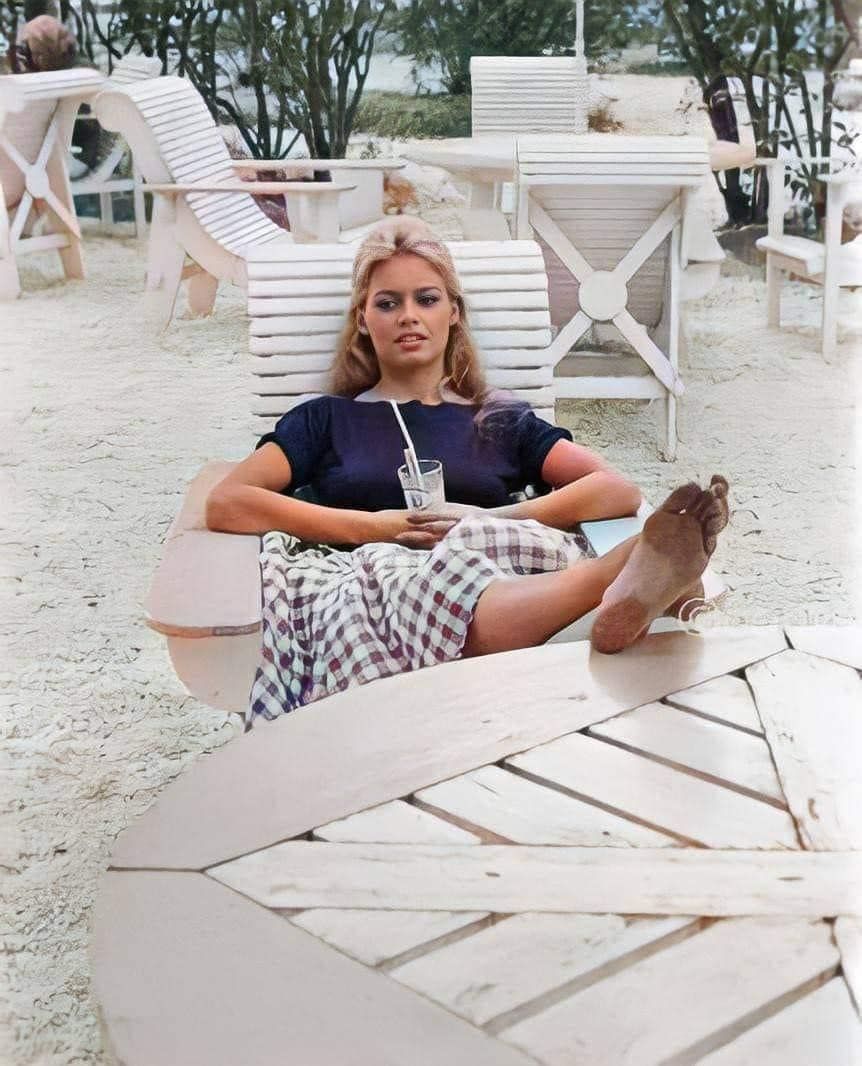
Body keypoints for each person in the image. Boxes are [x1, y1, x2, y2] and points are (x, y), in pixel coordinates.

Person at [207, 219, 729, 726]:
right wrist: (376, 527)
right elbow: (228, 501)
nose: (408, 316)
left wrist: (485, 517)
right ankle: (620, 575)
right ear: (363, 320)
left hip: (496, 555)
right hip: (383, 577)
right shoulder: (326, 419)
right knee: (425, 574)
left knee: (468, 551)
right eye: (387, 303)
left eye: (426, 299)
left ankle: (632, 577)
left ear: (453, 313)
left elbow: (617, 490)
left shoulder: (496, 418)